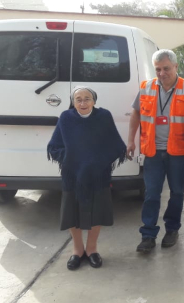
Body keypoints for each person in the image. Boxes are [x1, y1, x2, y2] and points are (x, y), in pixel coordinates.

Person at [127, 49, 184, 253]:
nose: (161, 73)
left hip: (178, 152)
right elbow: (135, 115)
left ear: (176, 67)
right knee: (152, 194)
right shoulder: (146, 88)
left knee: (177, 192)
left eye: (166, 68)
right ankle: (148, 234)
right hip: (152, 152)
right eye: (158, 69)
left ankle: (172, 229)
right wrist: (130, 141)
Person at [47, 86, 126, 270]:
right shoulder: (66, 118)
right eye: (78, 99)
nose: (83, 103)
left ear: (94, 101)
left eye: (87, 98)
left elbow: (116, 145)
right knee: (72, 212)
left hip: (98, 174)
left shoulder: (104, 117)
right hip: (72, 174)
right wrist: (69, 159)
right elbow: (54, 146)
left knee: (97, 210)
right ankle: (77, 250)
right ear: (73, 102)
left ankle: (92, 249)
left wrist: (98, 161)